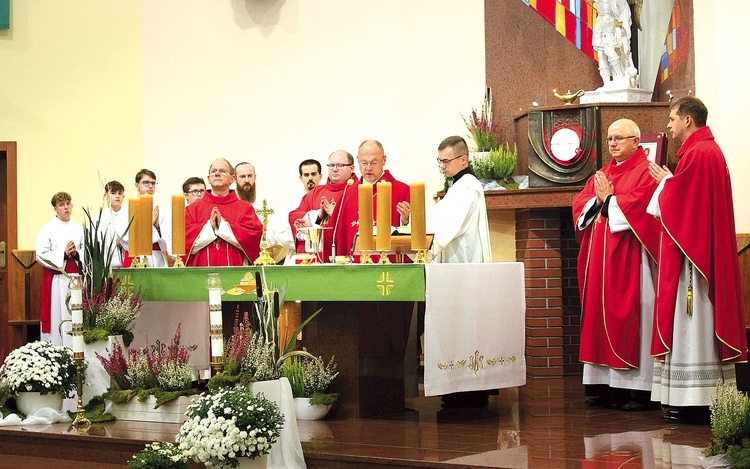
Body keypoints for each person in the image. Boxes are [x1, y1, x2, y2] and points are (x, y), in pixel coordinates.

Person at [647, 96, 748, 424]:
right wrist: (670, 182)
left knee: (693, 321)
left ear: (688, 120)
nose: (669, 125)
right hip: (701, 251)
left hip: (695, 262)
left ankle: (694, 399)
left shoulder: (699, 154)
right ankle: (695, 398)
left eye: (673, 119)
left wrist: (664, 183)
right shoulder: (705, 151)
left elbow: (681, 202)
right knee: (694, 322)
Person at [572, 119, 661, 411]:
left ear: (636, 142)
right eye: (610, 139)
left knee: (632, 317)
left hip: (631, 260)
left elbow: (642, 204)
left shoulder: (645, 171)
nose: (612, 144)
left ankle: (636, 389)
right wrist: (598, 202)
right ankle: (603, 385)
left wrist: (609, 200)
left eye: (619, 138)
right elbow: (582, 201)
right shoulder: (603, 173)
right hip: (599, 262)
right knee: (599, 316)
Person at [185, 158, 263, 266]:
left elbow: (253, 239)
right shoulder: (191, 210)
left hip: (236, 272)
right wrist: (210, 227)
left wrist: (222, 226)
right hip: (199, 272)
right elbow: (182, 244)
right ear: (208, 179)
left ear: (232, 179)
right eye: (213, 171)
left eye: (222, 171)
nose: (217, 174)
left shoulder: (245, 209)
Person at [426, 136, 491, 263]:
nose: (442, 166)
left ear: (463, 159)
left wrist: (424, 251)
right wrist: (411, 217)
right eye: (440, 161)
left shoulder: (467, 186)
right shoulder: (458, 185)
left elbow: (449, 224)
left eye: (446, 161)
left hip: (463, 259)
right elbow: (438, 214)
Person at [290, 150, 360, 261]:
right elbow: (295, 215)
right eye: (331, 165)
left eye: (340, 165)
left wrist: (337, 214)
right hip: (318, 257)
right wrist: (316, 219)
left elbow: (361, 223)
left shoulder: (360, 191)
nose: (335, 169)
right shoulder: (316, 192)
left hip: (345, 257)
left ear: (352, 168)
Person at [35, 192, 84, 346]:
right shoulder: (47, 229)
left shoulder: (79, 228)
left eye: (68, 203)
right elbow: (40, 254)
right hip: (57, 279)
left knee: (76, 316)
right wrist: (63, 254)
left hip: (76, 278)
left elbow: (86, 249)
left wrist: (77, 254)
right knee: (58, 314)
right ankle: (57, 347)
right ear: (55, 208)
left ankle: (76, 348)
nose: (66, 207)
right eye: (61, 205)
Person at [265, 159, 323, 264]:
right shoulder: (290, 204)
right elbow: (280, 233)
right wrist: (308, 237)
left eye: (313, 174)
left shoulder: (326, 199)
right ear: (301, 178)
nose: (310, 178)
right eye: (306, 175)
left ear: (320, 176)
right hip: (297, 254)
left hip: (323, 253)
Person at [357, 140, 411, 227]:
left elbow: (413, 230)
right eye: (364, 163)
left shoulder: (403, 191)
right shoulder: (348, 192)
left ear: (384, 160)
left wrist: (406, 221)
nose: (368, 168)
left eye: (374, 163)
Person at [125, 169, 170, 267]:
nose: (150, 186)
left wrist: (158, 227)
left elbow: (170, 240)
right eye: (146, 182)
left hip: (158, 257)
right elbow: (125, 238)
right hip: (137, 257)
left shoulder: (161, 211)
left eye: (153, 183)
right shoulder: (127, 210)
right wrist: (148, 224)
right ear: (137, 185)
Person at [592, 0, 637, 89]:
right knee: (601, 55)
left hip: (612, 26)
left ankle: (619, 75)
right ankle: (606, 83)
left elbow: (625, 10)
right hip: (600, 26)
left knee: (608, 50)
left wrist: (621, 22)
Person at [96, 181, 129, 269]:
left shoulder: (129, 216)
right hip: (107, 265)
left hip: (127, 262)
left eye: (120, 193)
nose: (117, 196)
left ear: (123, 196)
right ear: (105, 196)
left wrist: (122, 241)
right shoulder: (98, 219)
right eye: (113, 193)